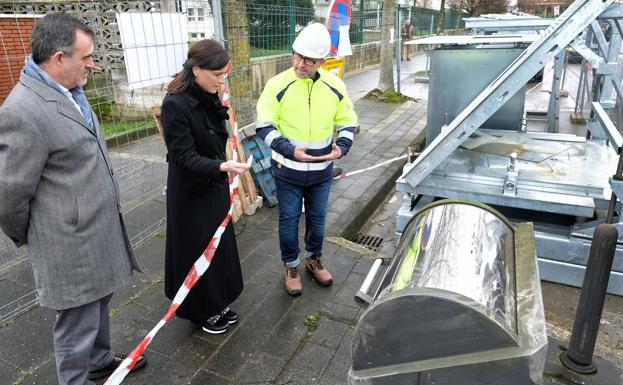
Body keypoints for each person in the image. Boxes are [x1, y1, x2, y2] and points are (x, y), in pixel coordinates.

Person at [0, 13, 145, 385]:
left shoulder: (69, 90)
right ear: (59, 58)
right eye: (86, 57)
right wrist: (33, 236)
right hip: (68, 243)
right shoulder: (22, 112)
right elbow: (8, 194)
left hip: (95, 230)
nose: (93, 64)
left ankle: (98, 361)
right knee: (76, 323)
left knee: (98, 304)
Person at [256, 23, 358, 296]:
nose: (300, 64)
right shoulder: (277, 84)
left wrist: (343, 146)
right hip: (287, 169)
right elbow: (264, 126)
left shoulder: (335, 85)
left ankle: (314, 260)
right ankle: (291, 266)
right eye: (297, 56)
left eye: (309, 60)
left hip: (323, 170)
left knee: (318, 218)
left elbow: (348, 120)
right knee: (289, 219)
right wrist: (289, 150)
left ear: (322, 61)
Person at [161, 39, 249, 334]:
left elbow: (217, 130)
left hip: (213, 183)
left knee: (219, 245)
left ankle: (219, 300)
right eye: (217, 74)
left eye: (224, 74)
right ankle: (201, 311)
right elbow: (183, 156)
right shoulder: (175, 104)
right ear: (197, 70)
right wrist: (221, 166)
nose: (222, 80)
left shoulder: (208, 92)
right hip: (191, 190)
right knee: (197, 249)